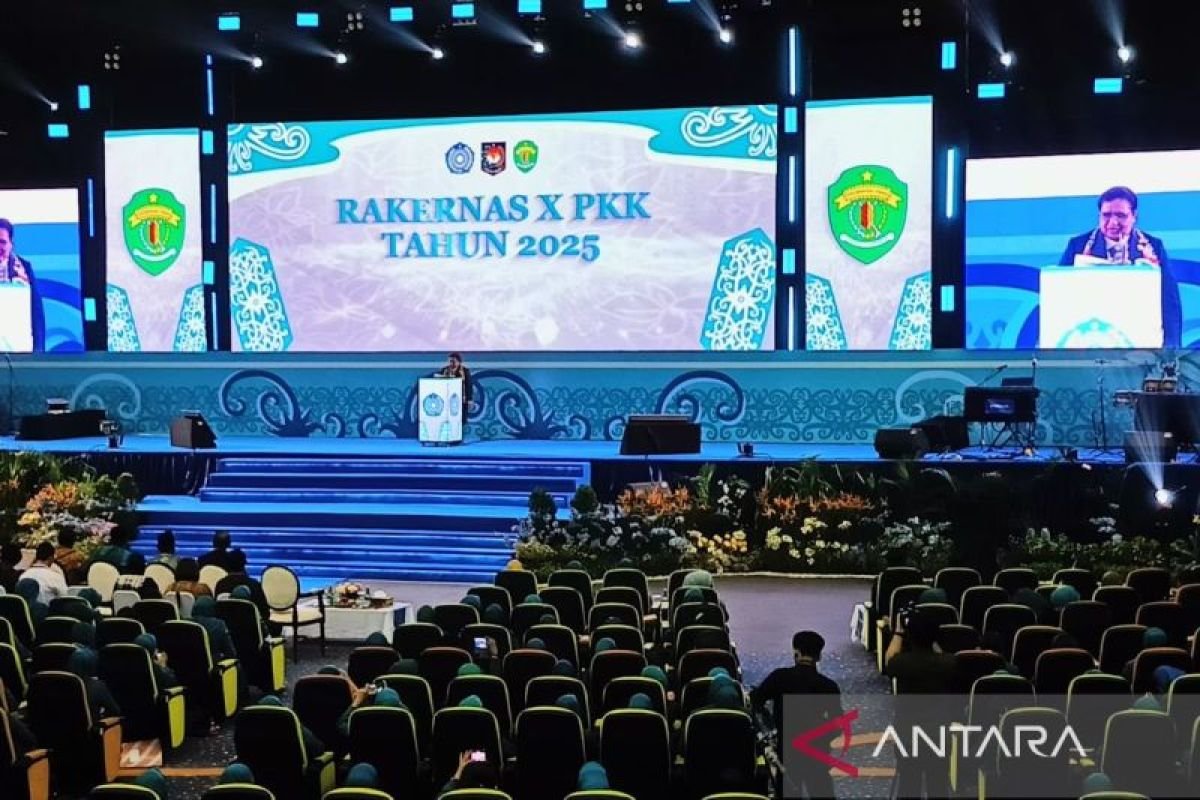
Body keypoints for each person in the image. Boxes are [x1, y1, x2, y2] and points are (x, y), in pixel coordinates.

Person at [1059, 186, 1180, 348]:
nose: (1113, 222)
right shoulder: (1078, 246)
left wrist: (1171, 348)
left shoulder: (1153, 247)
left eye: (1121, 215)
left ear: (1134, 216)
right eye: (1106, 215)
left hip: (1139, 337)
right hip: (1091, 337)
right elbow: (1060, 295)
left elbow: (1169, 300)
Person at [751, 631, 842, 800]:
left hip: (786, 753)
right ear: (819, 656)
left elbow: (755, 701)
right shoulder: (828, 686)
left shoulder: (779, 677)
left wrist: (770, 727)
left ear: (796, 653)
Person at [884, 608, 958, 799]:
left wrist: (899, 632)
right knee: (938, 785)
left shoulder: (902, 663)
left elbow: (889, 660)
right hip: (938, 734)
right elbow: (941, 655)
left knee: (909, 784)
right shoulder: (949, 663)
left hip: (908, 734)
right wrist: (932, 640)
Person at [0, 218, 46, 352]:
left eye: (2, 242)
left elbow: (36, 311)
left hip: (19, 349)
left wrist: (38, 351)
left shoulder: (24, 269)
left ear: (11, 244)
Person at [213, 549, 270, 620]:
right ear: (244, 564)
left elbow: (217, 611)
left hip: (226, 625)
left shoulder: (221, 584)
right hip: (250, 625)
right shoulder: (254, 584)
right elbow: (265, 613)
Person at [439, 351, 474, 417]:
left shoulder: (465, 371)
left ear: (459, 362)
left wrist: (470, 400)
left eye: (453, 361)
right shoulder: (444, 370)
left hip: (461, 399)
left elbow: (469, 386)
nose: (451, 363)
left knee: (462, 418)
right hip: (447, 399)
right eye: (450, 361)